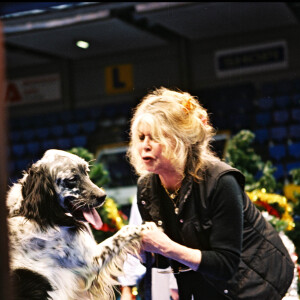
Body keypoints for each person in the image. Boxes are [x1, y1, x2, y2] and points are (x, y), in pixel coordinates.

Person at [126, 87, 294, 300]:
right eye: (141, 137)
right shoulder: (147, 187)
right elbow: (161, 260)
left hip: (253, 287)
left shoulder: (221, 181)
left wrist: (165, 247)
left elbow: (225, 264)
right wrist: (143, 251)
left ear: (181, 141)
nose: (144, 147)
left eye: (156, 137)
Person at [119, 196, 179, 300]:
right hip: (156, 276)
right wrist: (127, 286)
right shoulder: (143, 193)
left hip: (192, 272)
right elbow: (136, 242)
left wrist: (174, 283)